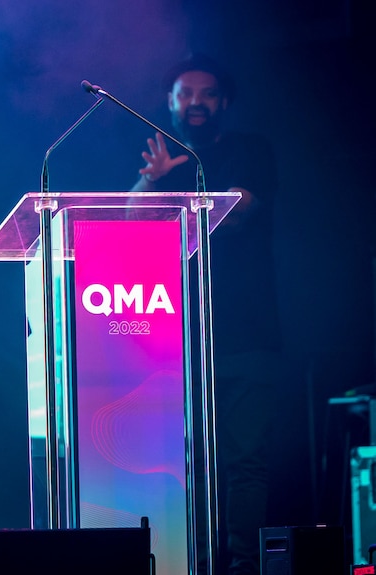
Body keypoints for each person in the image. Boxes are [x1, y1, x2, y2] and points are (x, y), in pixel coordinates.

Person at [131, 54, 283, 575]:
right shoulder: (163, 163)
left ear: (224, 102)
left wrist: (189, 187)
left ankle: (244, 567)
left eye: (207, 94)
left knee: (244, 462)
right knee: (182, 466)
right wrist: (152, 184)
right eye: (184, 94)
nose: (196, 102)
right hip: (178, 342)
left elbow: (240, 208)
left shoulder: (249, 150)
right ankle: (189, 564)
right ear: (170, 103)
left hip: (248, 334)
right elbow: (127, 225)